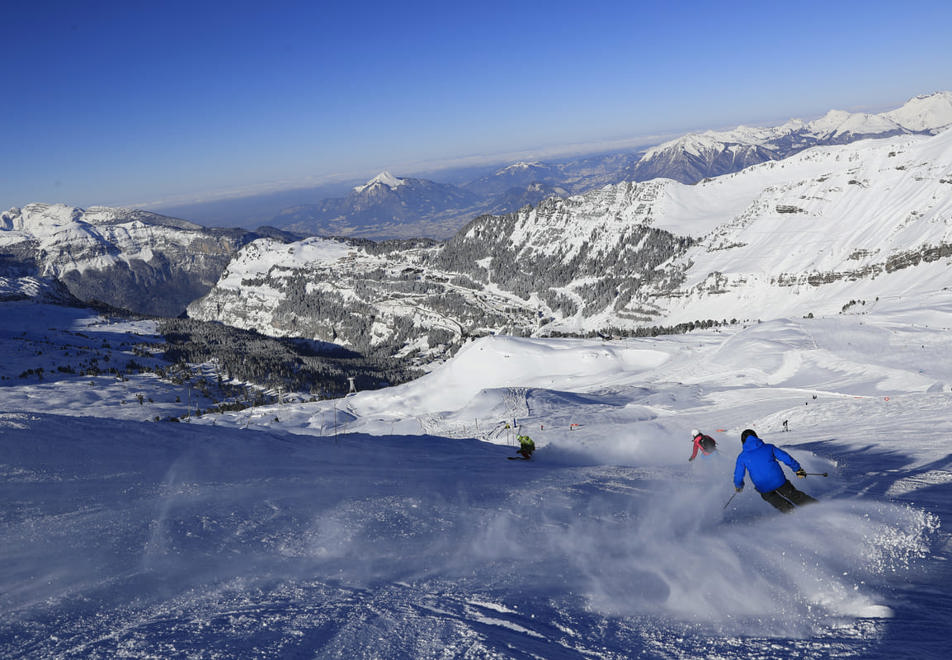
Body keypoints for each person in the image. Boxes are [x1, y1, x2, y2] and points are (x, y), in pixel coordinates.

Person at [733, 428, 817, 512]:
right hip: (779, 481)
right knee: (795, 496)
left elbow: (738, 476)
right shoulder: (769, 447)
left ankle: (794, 515)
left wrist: (739, 486)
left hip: (763, 487)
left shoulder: (742, 457)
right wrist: (798, 470)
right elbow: (786, 458)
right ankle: (817, 508)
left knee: (782, 505)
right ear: (756, 437)